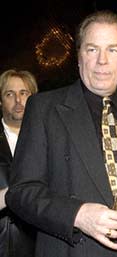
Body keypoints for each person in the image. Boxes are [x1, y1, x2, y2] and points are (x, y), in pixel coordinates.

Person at [5, 10, 117, 257]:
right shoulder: (44, 109)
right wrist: (78, 215)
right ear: (79, 57)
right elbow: (21, 193)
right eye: (92, 49)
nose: (102, 61)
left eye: (113, 50)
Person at [0, 69, 38, 257]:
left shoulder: (49, 139)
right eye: (10, 94)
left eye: (24, 93)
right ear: (0, 101)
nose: (18, 100)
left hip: (42, 244)